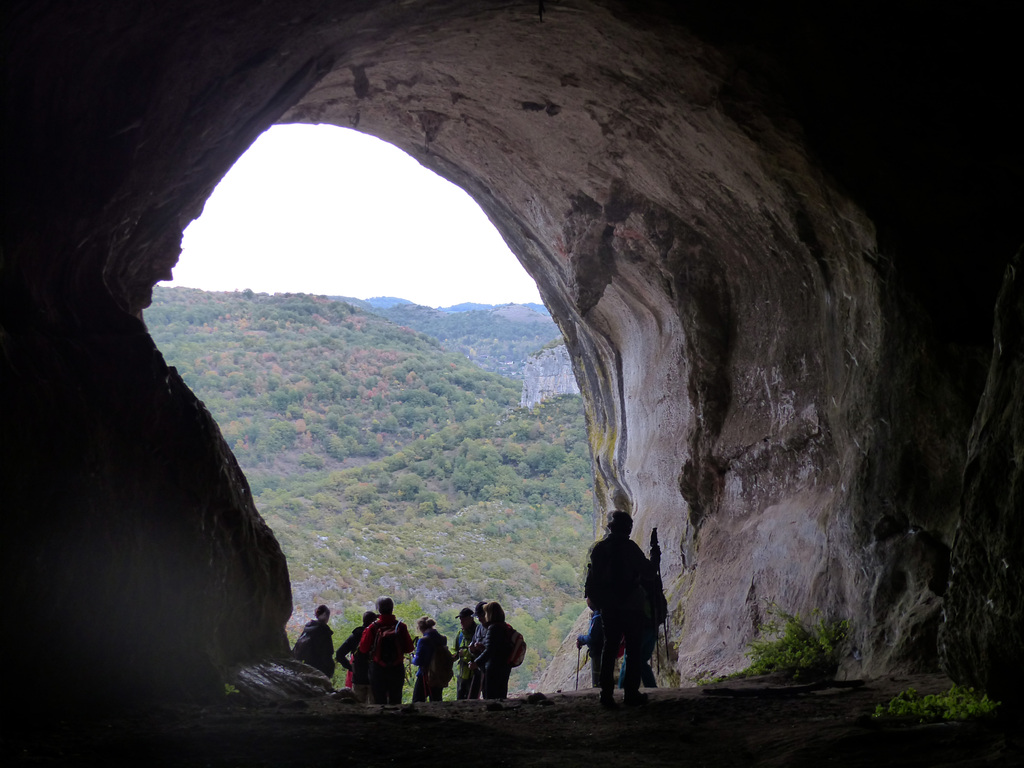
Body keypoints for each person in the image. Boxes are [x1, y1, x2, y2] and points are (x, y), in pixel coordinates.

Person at [585, 510, 656, 707]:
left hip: (608, 606)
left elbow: (593, 579)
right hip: (631, 605)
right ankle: (630, 694)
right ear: (627, 529)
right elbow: (649, 572)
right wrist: (655, 557)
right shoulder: (629, 548)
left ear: (611, 528)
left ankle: (606, 694)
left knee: (609, 648)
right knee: (633, 649)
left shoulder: (600, 549)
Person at [358, 596, 414, 705]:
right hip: (397, 668)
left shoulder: (372, 628)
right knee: (396, 700)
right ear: (392, 608)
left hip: (378, 669)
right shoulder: (401, 627)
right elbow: (409, 648)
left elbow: (363, 649)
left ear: (378, 609)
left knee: (379, 701)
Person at [470, 601, 512, 700]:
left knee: (490, 696)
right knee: (501, 694)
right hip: (504, 666)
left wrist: (476, 663)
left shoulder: (493, 628)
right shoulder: (503, 626)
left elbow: (490, 651)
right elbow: (497, 648)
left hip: (493, 667)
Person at [335, 610, 377, 703]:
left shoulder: (355, 636)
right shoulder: (377, 635)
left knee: (358, 706)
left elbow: (339, 654)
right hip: (374, 677)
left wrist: (350, 667)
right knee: (374, 707)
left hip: (358, 677)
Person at [293, 604, 335, 679]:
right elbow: (328, 652)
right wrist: (330, 671)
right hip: (319, 669)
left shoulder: (308, 628)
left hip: (306, 666)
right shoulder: (324, 631)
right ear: (327, 617)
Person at [411, 616, 445, 702]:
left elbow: (419, 660)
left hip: (425, 674)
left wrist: (413, 658)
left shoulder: (423, 640)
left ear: (420, 628)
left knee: (417, 700)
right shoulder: (442, 639)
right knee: (436, 700)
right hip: (439, 673)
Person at [576, 598, 603, 688]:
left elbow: (592, 638)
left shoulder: (598, 617)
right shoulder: (601, 614)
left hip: (598, 652)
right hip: (602, 651)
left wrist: (581, 638)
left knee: (597, 680)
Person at [453, 607, 478, 700]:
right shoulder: (460, 634)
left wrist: (465, 653)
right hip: (462, 673)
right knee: (460, 699)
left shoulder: (478, 632)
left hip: (474, 674)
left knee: (472, 700)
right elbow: (454, 649)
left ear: (471, 619)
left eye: (463, 619)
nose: (461, 622)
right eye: (460, 619)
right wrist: (454, 655)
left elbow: (482, 651)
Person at [467, 600, 489, 698]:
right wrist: (472, 649)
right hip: (480, 667)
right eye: (478, 616)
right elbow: (472, 643)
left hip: (490, 667)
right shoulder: (479, 628)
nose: (479, 619)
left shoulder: (493, 628)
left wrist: (482, 648)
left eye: (481, 616)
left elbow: (492, 650)